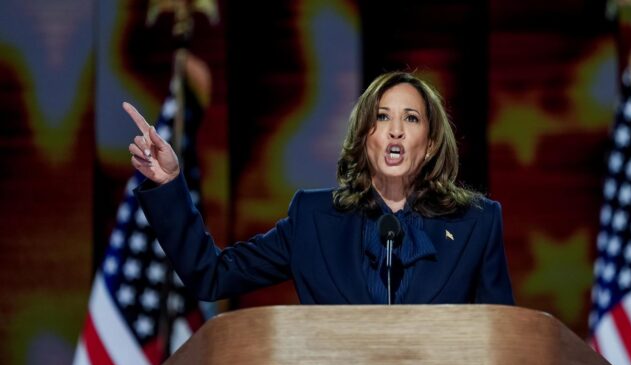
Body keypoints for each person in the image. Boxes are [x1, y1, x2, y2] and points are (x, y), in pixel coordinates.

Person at [126, 71, 514, 305]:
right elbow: (211, 275)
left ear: (429, 145)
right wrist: (171, 185)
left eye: (411, 118)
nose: (395, 129)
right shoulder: (313, 220)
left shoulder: (475, 224)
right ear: (366, 137)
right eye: (381, 117)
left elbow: (504, 339)